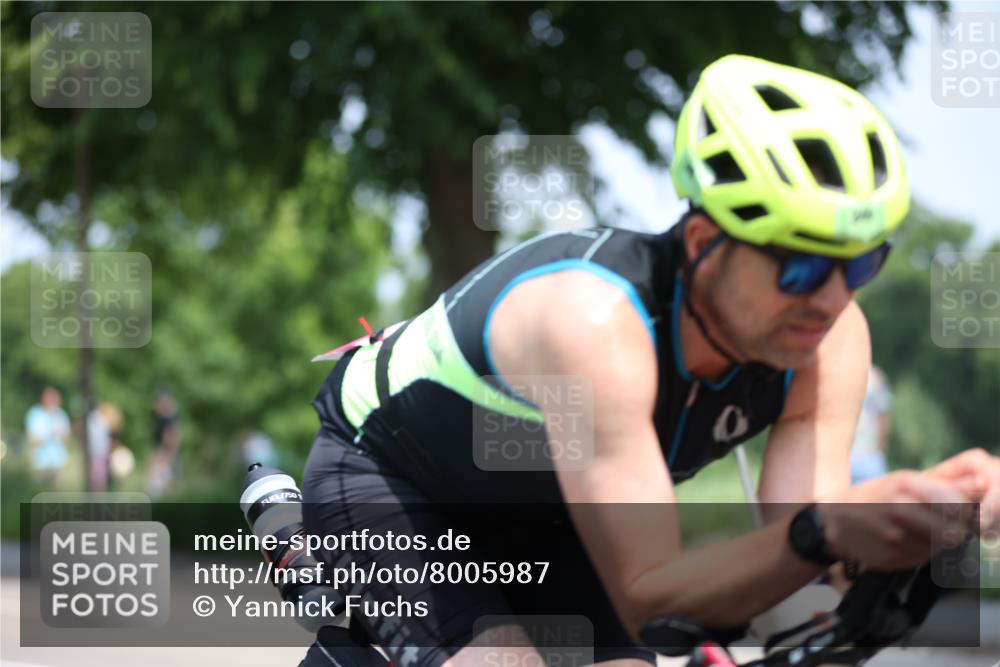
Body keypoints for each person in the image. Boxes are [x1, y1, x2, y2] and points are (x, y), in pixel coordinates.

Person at [300, 55, 1000, 667]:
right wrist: (829, 528)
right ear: (702, 240)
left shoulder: (833, 335)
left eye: (861, 263)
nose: (831, 297)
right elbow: (652, 594)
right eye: (799, 266)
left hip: (558, 509)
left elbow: (814, 567)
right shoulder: (592, 323)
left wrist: (927, 519)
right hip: (397, 481)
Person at [850, 365, 892, 483]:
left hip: (868, 456)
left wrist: (879, 451)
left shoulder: (875, 377)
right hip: (861, 457)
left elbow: (883, 417)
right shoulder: (875, 376)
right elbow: (883, 417)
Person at [24, 387, 71, 485]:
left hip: (58, 463)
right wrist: (49, 434)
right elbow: (31, 440)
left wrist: (61, 434)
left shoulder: (61, 414)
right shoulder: (34, 414)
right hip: (39, 463)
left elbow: (67, 439)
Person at [147, 389, 182, 497]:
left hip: (166, 453)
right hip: (168, 452)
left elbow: (170, 437)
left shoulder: (167, 418)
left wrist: (164, 455)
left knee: (164, 482)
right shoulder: (170, 416)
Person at [86, 401, 123, 492]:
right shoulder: (98, 420)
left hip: (100, 455)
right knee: (98, 481)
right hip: (99, 455)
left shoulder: (96, 419)